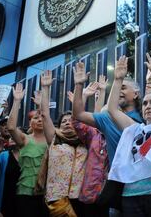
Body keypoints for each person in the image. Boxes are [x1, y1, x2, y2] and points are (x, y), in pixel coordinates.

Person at [108, 51, 151, 216]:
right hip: (130, 195)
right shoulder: (135, 129)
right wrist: (118, 80)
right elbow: (112, 110)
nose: (148, 105)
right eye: (145, 103)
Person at [38, 70, 88, 216]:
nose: (67, 123)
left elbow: (85, 117)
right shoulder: (53, 138)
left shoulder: (85, 141)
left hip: (81, 197)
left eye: (70, 120)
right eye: (63, 121)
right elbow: (45, 114)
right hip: (57, 199)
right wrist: (46, 88)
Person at [6, 83, 48, 217]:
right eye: (35, 118)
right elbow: (11, 128)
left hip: (48, 193)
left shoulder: (52, 139)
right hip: (25, 193)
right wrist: (17, 100)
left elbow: (45, 116)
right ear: (30, 123)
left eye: (41, 118)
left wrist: (40, 106)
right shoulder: (24, 139)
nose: (39, 120)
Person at [71, 72, 110, 217]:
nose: (105, 119)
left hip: (110, 196)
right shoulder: (93, 134)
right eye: (102, 116)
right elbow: (76, 121)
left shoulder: (121, 134)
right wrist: (84, 94)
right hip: (90, 194)